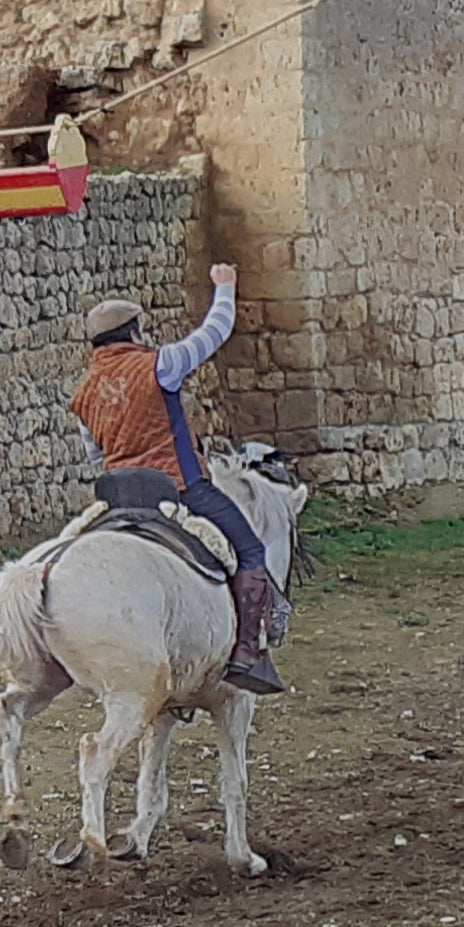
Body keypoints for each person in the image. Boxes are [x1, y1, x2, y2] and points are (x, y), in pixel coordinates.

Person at [70, 262, 286, 694]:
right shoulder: (160, 365)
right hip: (180, 490)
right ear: (135, 333)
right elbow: (215, 332)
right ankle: (247, 651)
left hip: (119, 500)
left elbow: (96, 454)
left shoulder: (84, 393)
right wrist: (225, 287)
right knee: (250, 550)